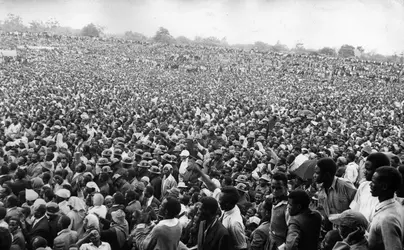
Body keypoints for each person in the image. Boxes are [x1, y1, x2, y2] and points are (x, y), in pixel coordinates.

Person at [368, 166, 404, 250]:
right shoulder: (395, 204)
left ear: (384, 187)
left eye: (373, 182)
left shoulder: (387, 219)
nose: (370, 184)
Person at [349, 153, 390, 222]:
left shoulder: (389, 195)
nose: (364, 172)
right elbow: (354, 209)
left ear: (380, 170)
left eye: (368, 169)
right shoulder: (363, 185)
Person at [313, 158, 357, 223]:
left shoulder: (345, 185)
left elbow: (358, 206)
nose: (314, 175)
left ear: (326, 174)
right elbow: (322, 208)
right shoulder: (320, 187)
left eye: (317, 173)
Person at [267, 172, 289, 250]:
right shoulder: (273, 199)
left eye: (279, 188)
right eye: (273, 187)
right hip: (272, 240)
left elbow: (292, 231)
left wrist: (282, 247)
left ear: (286, 187)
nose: (275, 191)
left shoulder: (288, 207)